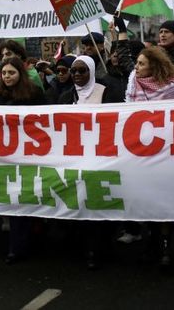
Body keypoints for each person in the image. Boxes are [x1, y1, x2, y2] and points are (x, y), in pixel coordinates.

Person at [59, 55, 121, 269]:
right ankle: (83, 247)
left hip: (100, 157)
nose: (77, 75)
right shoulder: (66, 97)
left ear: (92, 71)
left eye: (82, 71)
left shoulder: (106, 93)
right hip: (74, 158)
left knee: (96, 203)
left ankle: (99, 247)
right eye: (74, 71)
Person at [123, 47, 174, 263]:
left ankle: (165, 244)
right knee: (147, 199)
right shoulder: (133, 84)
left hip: (165, 151)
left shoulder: (172, 87)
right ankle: (152, 238)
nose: (136, 68)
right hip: (141, 152)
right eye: (136, 63)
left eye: (141, 64)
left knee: (164, 199)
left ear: (154, 66)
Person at [0, 56, 45, 263]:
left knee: (25, 198)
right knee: (12, 200)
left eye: (11, 73)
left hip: (28, 153)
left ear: (21, 73)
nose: (7, 77)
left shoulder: (34, 94)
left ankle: (22, 243)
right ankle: (17, 245)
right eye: (4, 73)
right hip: (3, 154)